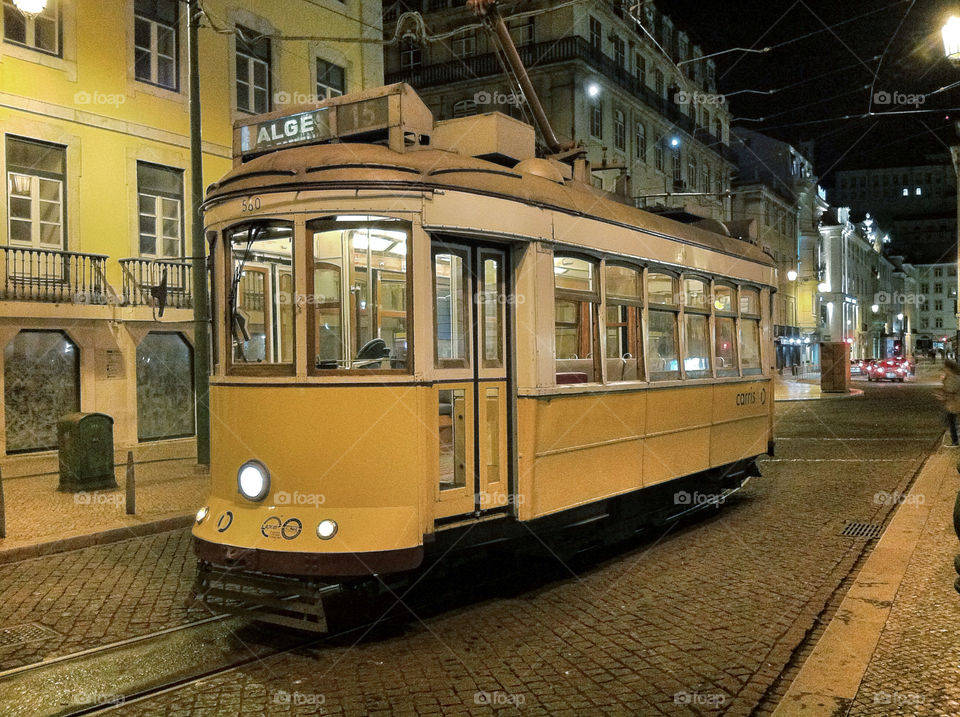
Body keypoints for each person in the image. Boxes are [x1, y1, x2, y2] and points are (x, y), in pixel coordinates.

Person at [939, 360, 960, 447]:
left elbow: (950, 391)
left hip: (954, 404)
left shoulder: (952, 378)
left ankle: (955, 441)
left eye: (945, 368)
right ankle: (955, 440)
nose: (944, 370)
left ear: (949, 369)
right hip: (954, 403)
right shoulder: (955, 377)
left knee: (951, 422)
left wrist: (943, 395)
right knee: (951, 421)